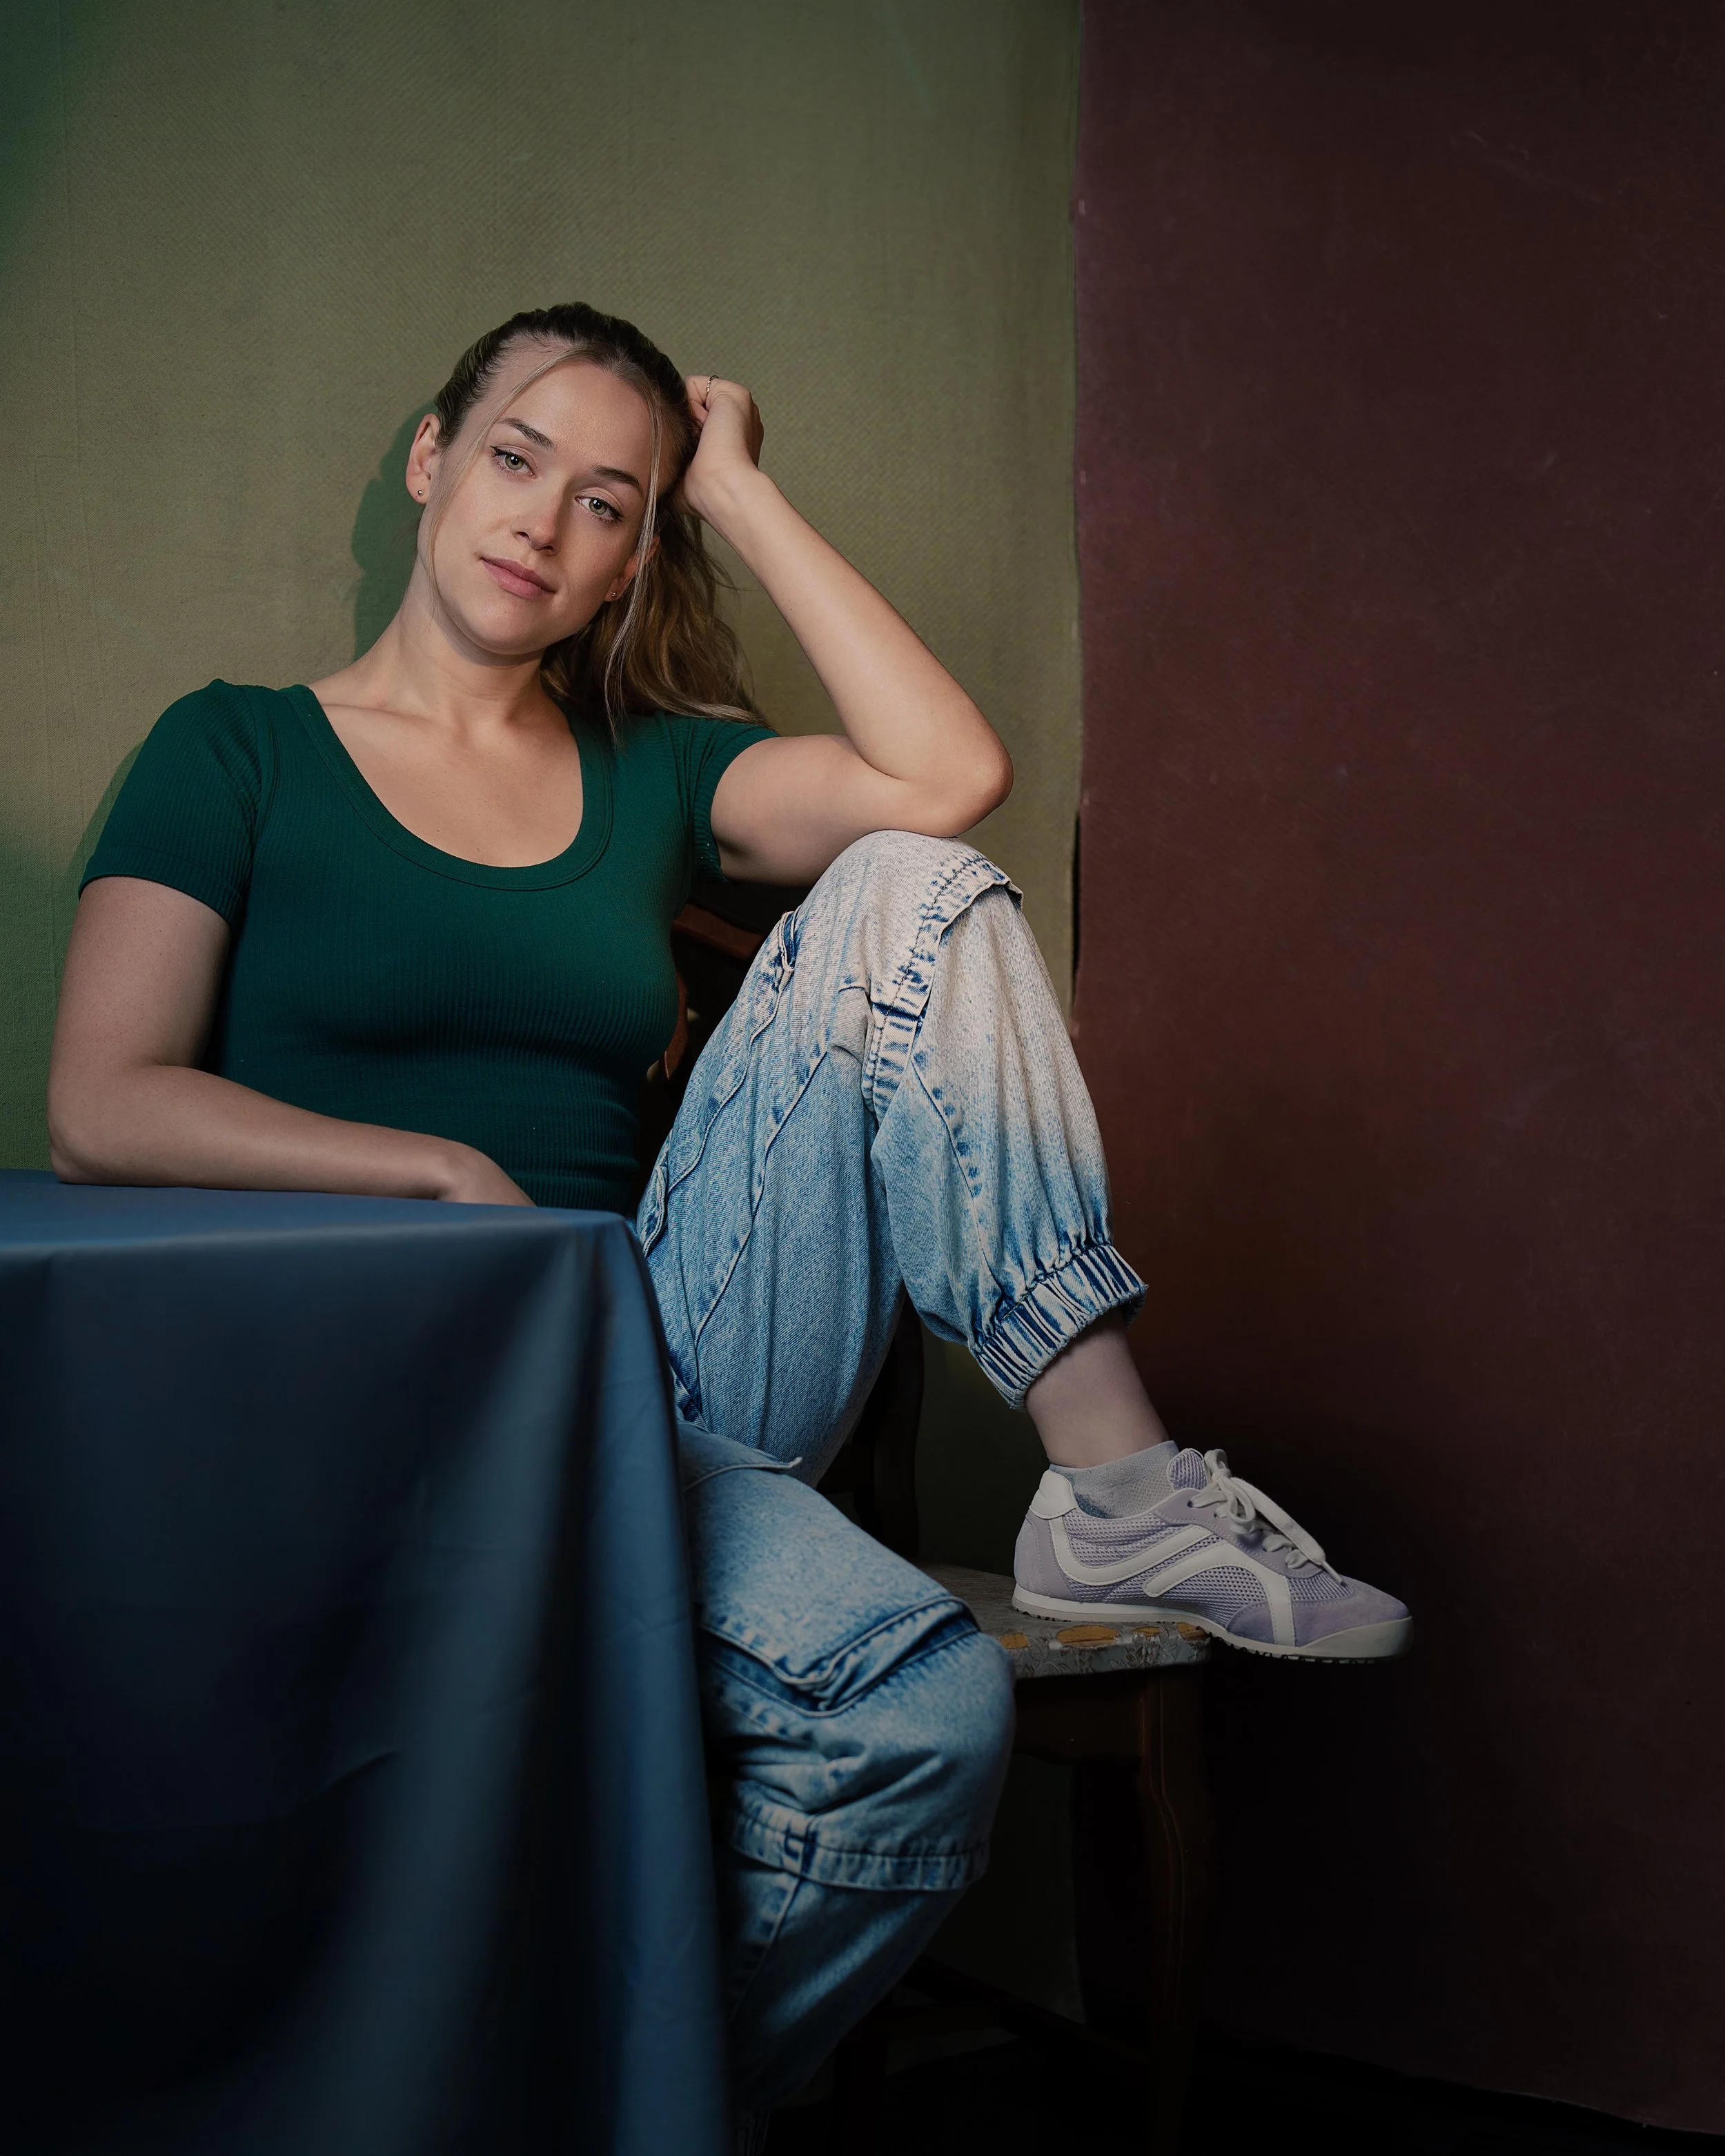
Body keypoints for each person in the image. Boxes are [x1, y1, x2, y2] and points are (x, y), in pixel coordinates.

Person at [47, 302, 1408, 2128]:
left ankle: (1114, 1492)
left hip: (655, 1360)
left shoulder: (652, 772)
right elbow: (101, 1103)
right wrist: (439, 1178)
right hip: (403, 1389)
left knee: (917, 882)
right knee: (920, 1715)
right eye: (518, 456)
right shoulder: (238, 750)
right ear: (429, 460)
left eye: (613, 501)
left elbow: (945, 779)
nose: (546, 517)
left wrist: (744, 492)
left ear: (631, 561)